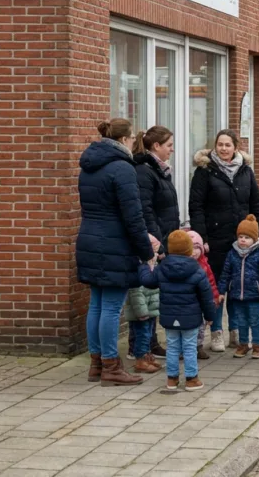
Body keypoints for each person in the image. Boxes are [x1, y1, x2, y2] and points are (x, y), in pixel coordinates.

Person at [76, 118, 154, 386]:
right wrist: (146, 251)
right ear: (123, 140)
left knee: (96, 304)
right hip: (114, 244)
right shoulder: (122, 168)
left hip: (89, 239)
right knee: (110, 307)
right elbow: (133, 216)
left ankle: (96, 364)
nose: (134, 143)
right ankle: (111, 366)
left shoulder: (88, 166)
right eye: (132, 138)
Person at [189, 129, 259, 352]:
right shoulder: (204, 172)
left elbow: (256, 205)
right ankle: (216, 332)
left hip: (242, 240)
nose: (223, 149)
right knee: (217, 287)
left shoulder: (245, 171)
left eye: (227, 145)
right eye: (220, 144)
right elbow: (196, 207)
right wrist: (202, 238)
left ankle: (236, 331)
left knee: (237, 285)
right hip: (215, 239)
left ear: (235, 147)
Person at [139, 230, 217, 391]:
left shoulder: (162, 268)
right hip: (191, 318)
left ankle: (172, 379)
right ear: (189, 249)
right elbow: (206, 296)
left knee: (173, 347)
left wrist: (144, 265)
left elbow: (148, 281)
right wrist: (210, 316)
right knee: (189, 347)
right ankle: (191, 379)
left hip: (169, 317)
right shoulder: (197, 270)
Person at [131, 125, 178, 359]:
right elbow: (146, 210)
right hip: (153, 244)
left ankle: (150, 343)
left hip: (162, 240)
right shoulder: (145, 172)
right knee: (146, 295)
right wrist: (157, 242)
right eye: (169, 145)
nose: (172, 149)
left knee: (153, 296)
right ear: (156, 146)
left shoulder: (159, 170)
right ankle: (140, 347)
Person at [217, 214, 259, 359]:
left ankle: (257, 345)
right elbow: (225, 273)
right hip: (236, 295)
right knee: (241, 321)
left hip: (254, 295)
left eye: (247, 237)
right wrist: (221, 291)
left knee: (254, 320)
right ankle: (243, 344)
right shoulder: (232, 253)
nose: (242, 240)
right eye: (240, 236)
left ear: (254, 239)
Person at [124, 234, 162, 374]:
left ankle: (147, 355)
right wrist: (142, 312)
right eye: (154, 251)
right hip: (141, 312)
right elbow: (135, 293)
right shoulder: (138, 268)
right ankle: (140, 359)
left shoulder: (152, 265)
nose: (156, 255)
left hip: (150, 309)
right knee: (142, 335)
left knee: (148, 334)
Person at [188, 231, 220, 360]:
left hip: (202, 302)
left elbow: (211, 282)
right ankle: (187, 348)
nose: (194, 252)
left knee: (201, 327)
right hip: (189, 303)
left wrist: (214, 296)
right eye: (191, 248)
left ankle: (198, 346)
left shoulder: (204, 264)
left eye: (197, 248)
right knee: (189, 327)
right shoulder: (184, 265)